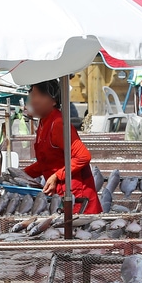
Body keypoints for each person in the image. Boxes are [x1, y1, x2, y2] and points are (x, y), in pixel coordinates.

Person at [22, 78, 101, 214]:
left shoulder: (58, 123)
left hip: (78, 198)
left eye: (36, 95)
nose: (32, 100)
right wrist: (22, 174)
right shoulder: (43, 123)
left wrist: (56, 176)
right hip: (60, 196)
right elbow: (47, 163)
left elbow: (83, 156)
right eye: (31, 95)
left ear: (53, 101)